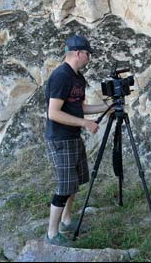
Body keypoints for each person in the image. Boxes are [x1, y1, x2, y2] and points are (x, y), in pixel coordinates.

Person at [44, 34, 110, 247]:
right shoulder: (61, 76)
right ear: (78, 53)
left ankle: (67, 221)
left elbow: (78, 107)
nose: (89, 57)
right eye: (88, 54)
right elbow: (53, 113)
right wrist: (85, 124)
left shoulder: (77, 78)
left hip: (73, 137)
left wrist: (107, 106)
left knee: (75, 182)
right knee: (64, 186)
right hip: (60, 138)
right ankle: (52, 235)